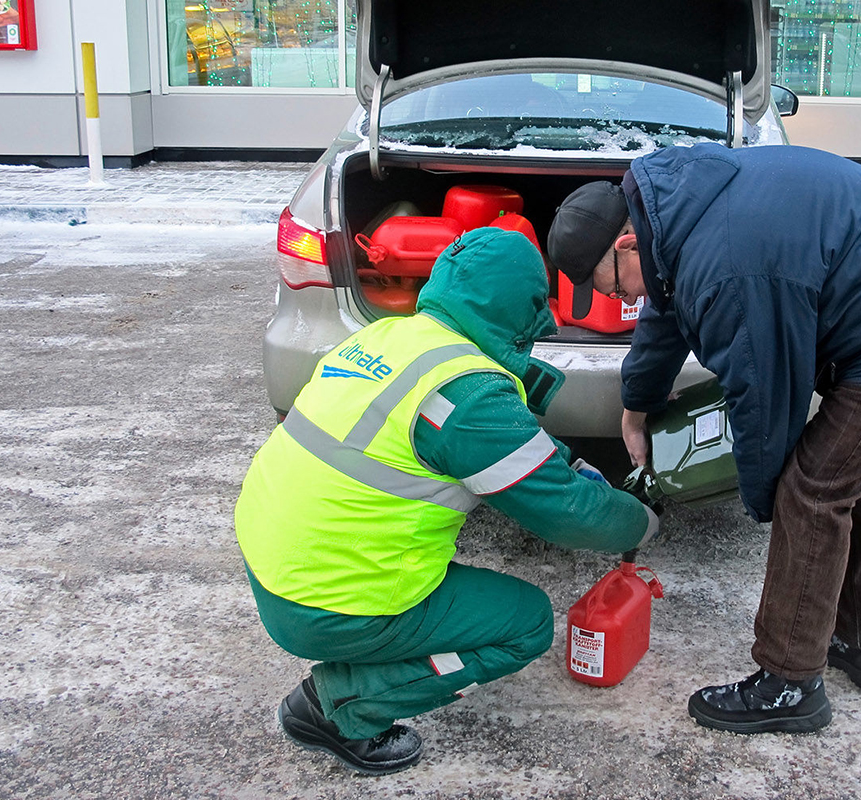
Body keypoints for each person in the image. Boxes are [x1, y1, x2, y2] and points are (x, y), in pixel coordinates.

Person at [548, 143, 861, 735]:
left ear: (625, 243)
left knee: (812, 489)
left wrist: (766, 501)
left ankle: (789, 684)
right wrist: (638, 405)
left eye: (607, 284)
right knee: (850, 470)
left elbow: (765, 402)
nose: (614, 300)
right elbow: (664, 302)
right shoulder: (671, 209)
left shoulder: (729, 269)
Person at [235, 227, 657, 774]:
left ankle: (363, 655)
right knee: (525, 624)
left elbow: (493, 436)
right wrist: (639, 523)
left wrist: (568, 462)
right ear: (523, 312)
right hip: (329, 601)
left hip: (275, 567)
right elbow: (566, 513)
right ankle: (341, 707)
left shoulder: (389, 338)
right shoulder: (466, 393)